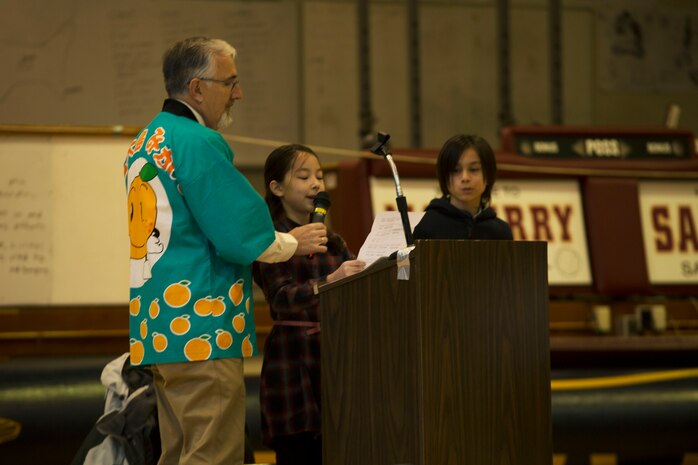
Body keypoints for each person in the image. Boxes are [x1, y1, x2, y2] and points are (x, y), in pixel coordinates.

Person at [124, 37, 328, 465]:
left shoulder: (144, 142)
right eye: (229, 82)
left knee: (180, 451)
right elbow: (240, 230)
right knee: (213, 456)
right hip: (202, 326)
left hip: (160, 326)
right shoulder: (197, 141)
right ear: (197, 89)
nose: (238, 93)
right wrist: (292, 243)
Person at [253, 144, 366, 465]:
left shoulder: (335, 242)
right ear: (276, 188)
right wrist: (330, 282)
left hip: (335, 356)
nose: (317, 184)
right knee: (299, 451)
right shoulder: (271, 241)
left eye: (319, 176)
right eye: (304, 176)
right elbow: (281, 297)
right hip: (292, 359)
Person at [413, 134, 513, 240]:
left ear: (488, 175)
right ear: (443, 177)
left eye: (474, 169)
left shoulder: (501, 231)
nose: (465, 178)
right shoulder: (425, 225)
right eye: (455, 170)